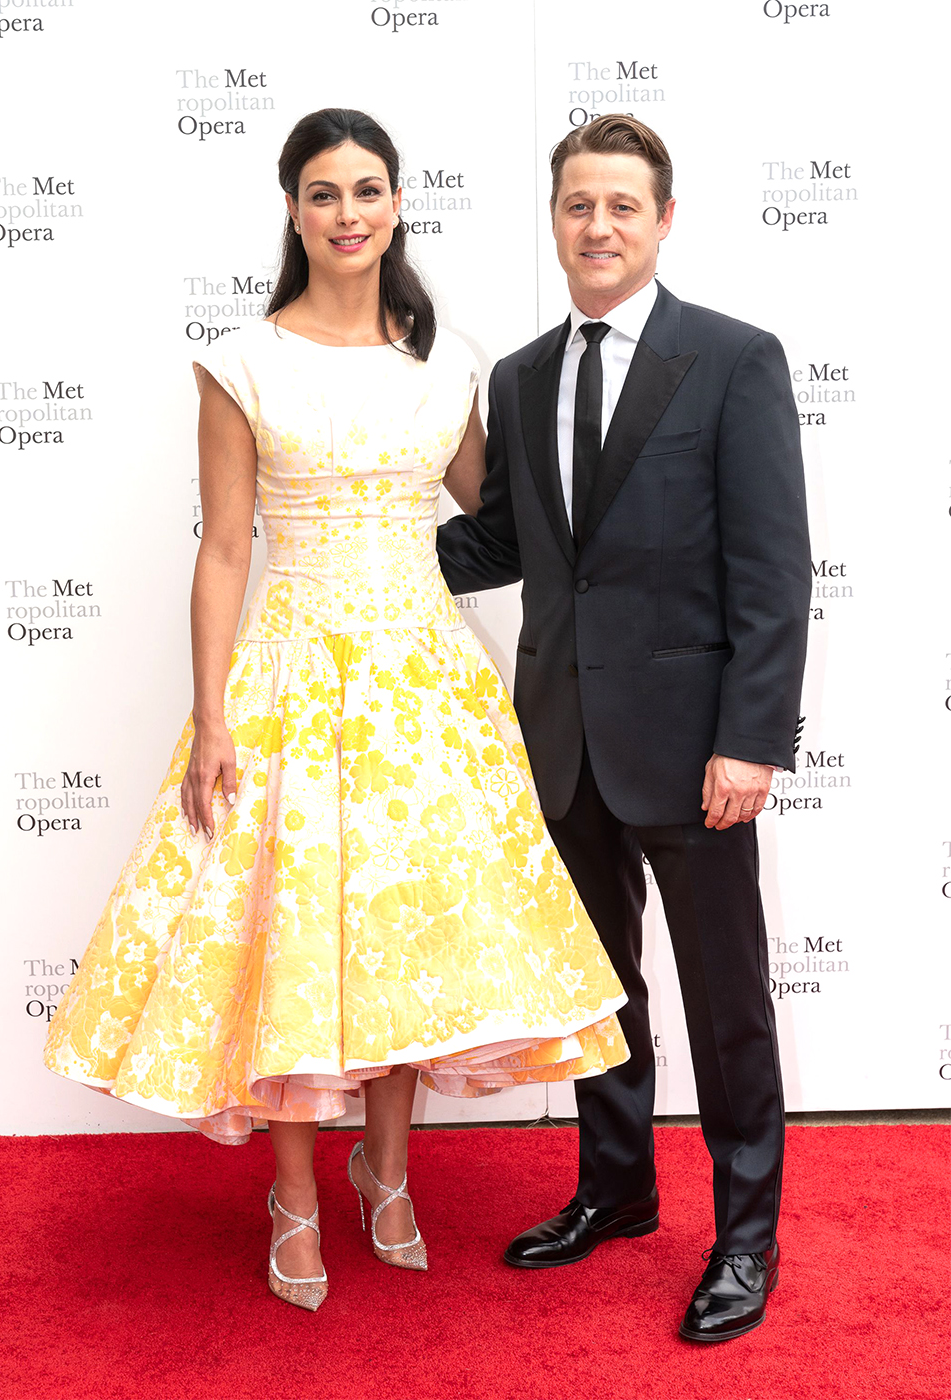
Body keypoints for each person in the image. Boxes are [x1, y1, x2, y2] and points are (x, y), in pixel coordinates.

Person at [43, 108, 631, 1314]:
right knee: (296, 944)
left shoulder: (448, 362)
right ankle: (297, 1190)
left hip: (425, 691)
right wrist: (212, 719)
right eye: (323, 194)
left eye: (368, 190)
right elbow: (220, 551)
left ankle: (391, 1166)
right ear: (294, 210)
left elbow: (497, 516)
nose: (349, 214)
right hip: (292, 682)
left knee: (403, 937)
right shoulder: (243, 358)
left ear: (398, 204)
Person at [437, 113, 811, 1343]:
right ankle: (616, 1188)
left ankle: (745, 1235)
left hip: (696, 748)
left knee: (724, 1002)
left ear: (661, 220)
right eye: (576, 205)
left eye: (621, 206)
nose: (597, 226)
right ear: (553, 218)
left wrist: (749, 739)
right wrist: (357, 536)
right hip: (561, 738)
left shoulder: (734, 358)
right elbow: (502, 545)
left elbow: (770, 573)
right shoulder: (521, 373)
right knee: (597, 991)